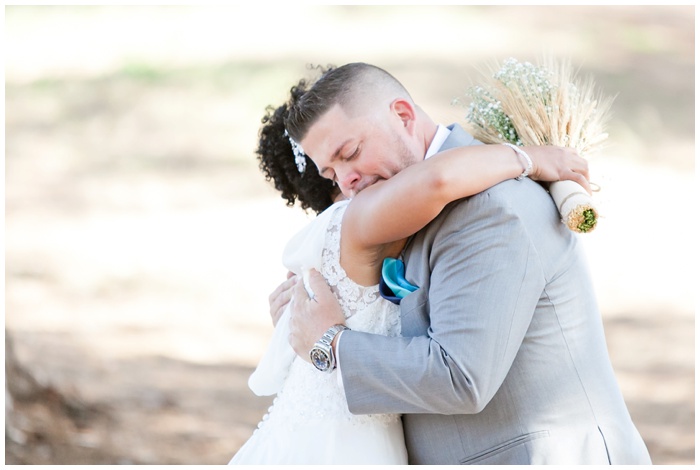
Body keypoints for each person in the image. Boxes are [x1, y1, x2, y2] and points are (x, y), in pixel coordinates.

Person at [281, 62, 652, 464]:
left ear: (403, 116)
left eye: (351, 153)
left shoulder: (489, 207)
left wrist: (331, 345)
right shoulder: (386, 215)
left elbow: (460, 378)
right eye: (332, 173)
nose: (347, 180)